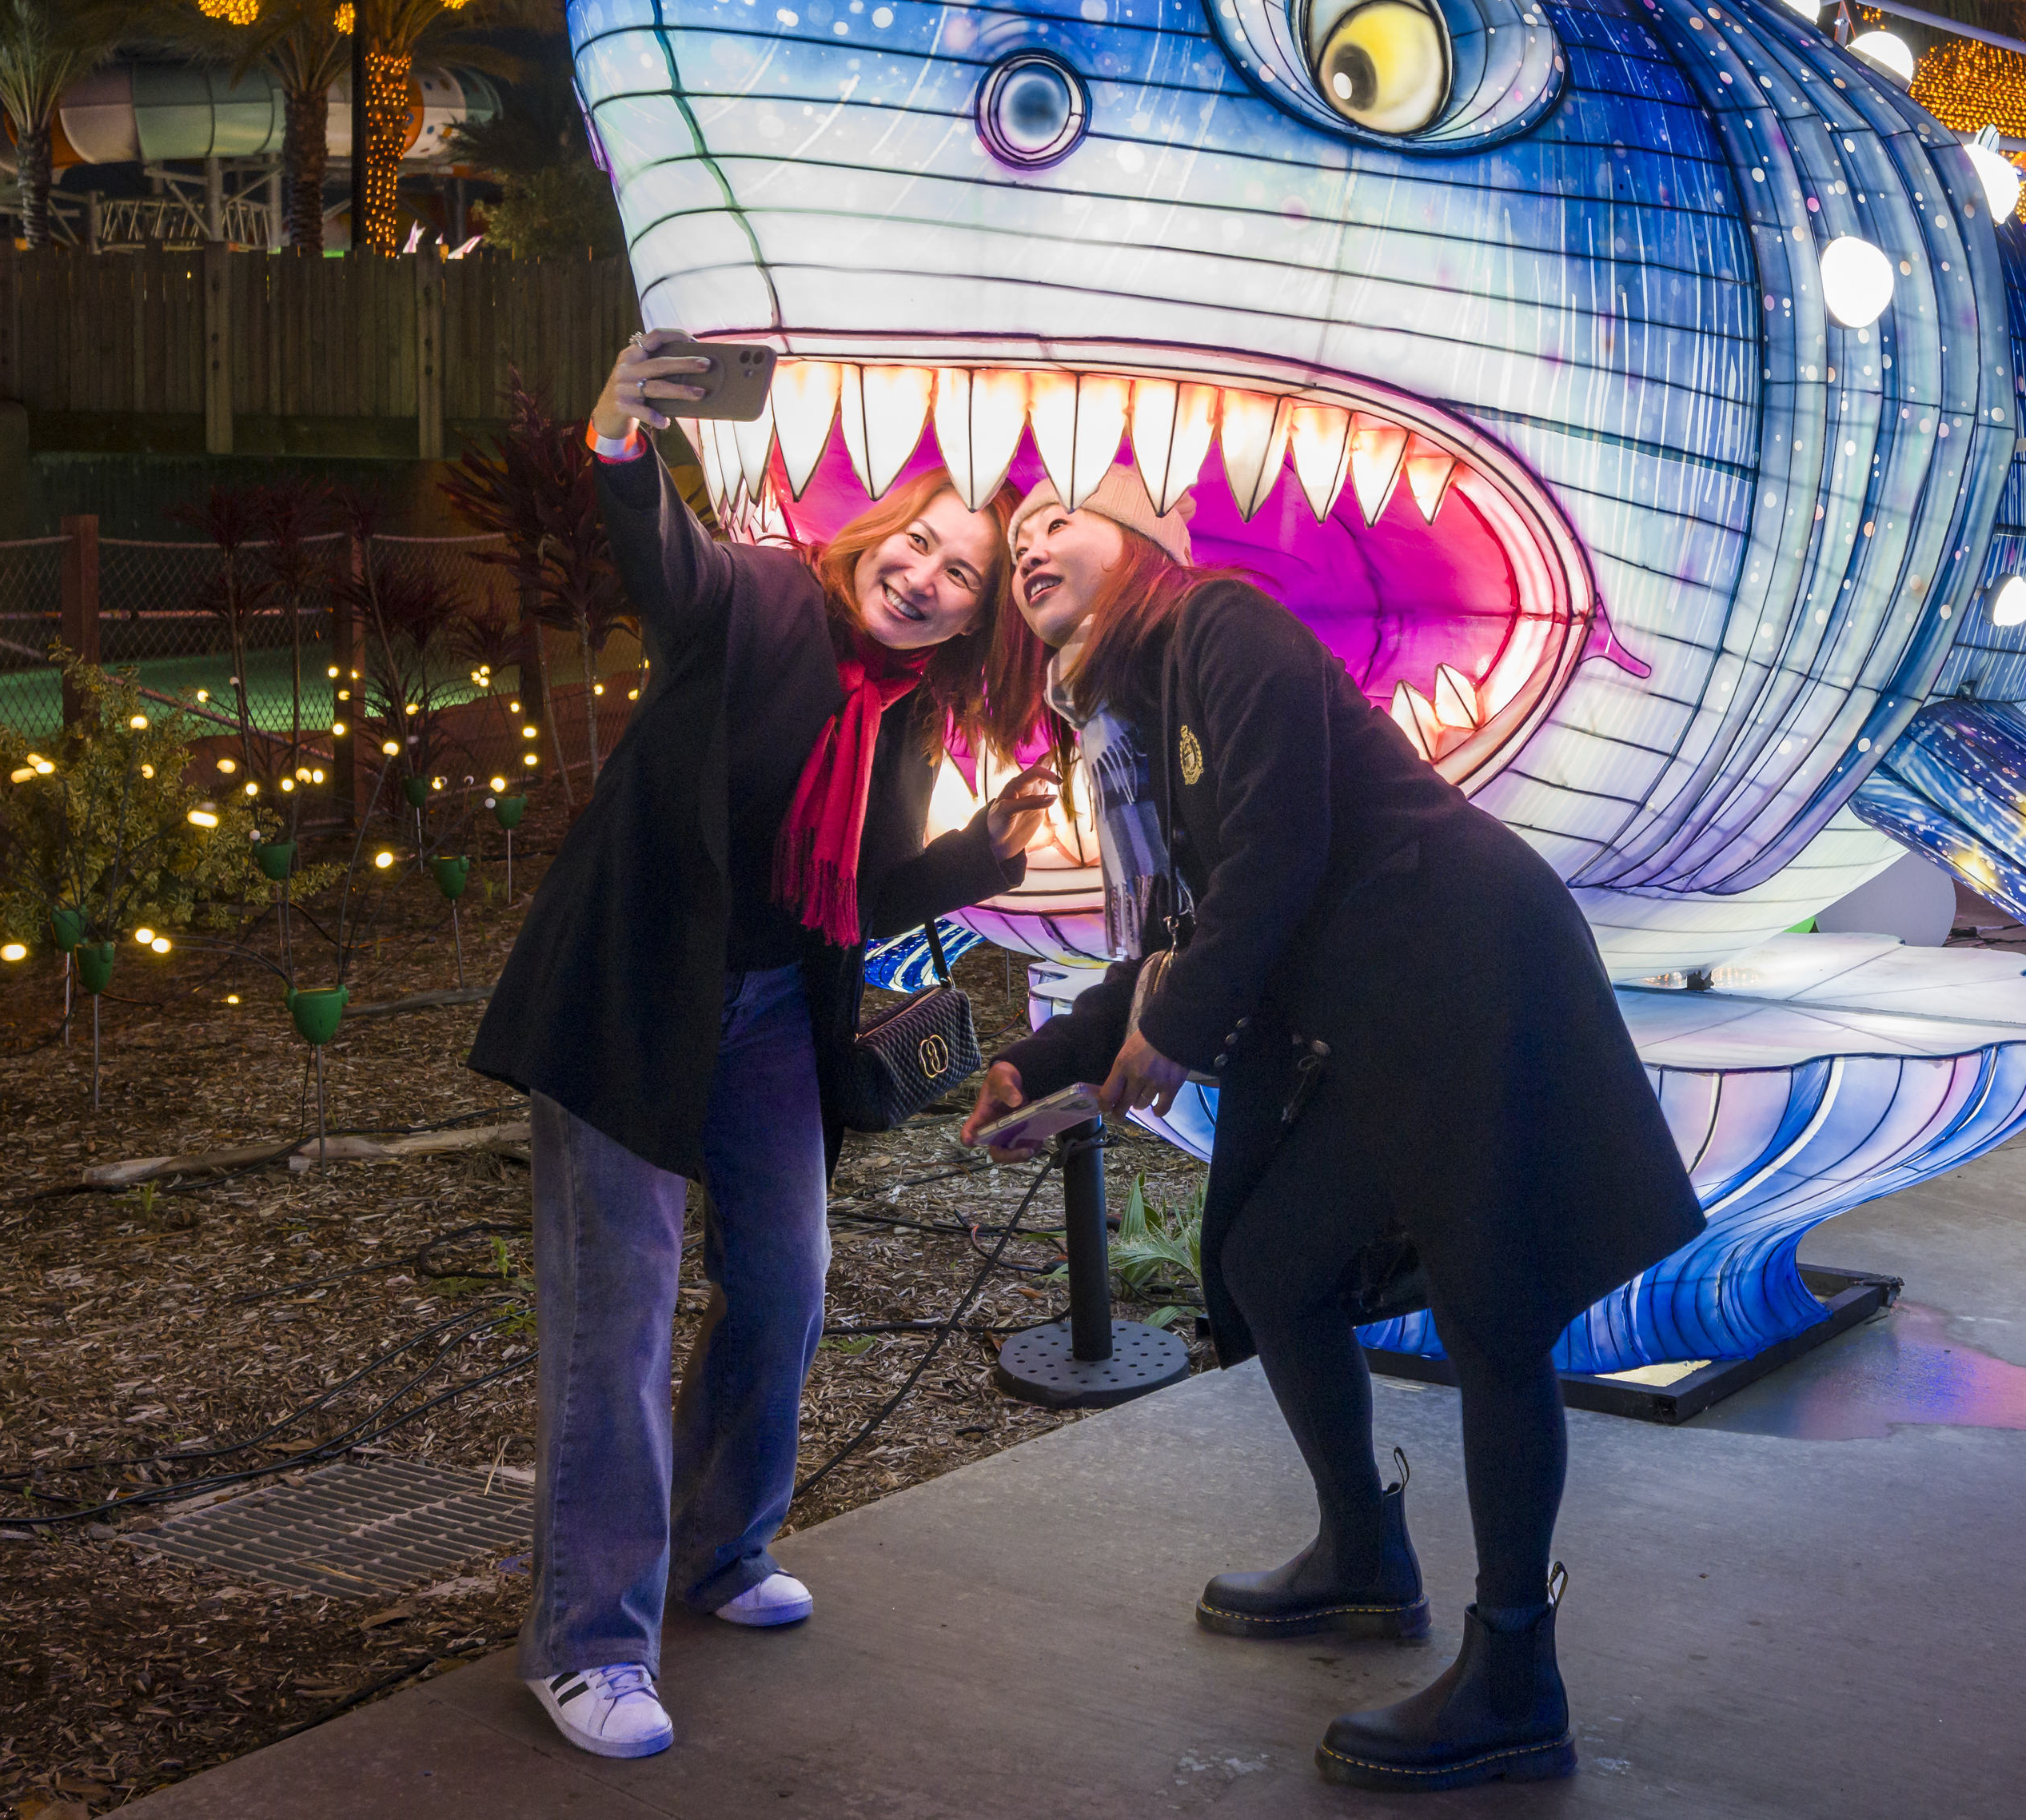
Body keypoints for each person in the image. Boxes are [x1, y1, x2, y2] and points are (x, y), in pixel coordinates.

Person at [963, 472, 1702, 1793]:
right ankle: (1364, 1552)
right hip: (1378, 1009)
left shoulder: (1222, 626)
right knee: (1275, 1263)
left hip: (1463, 962)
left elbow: (1279, 853)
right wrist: (1035, 1062)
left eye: (1052, 522)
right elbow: (1169, 942)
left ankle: (1517, 1673)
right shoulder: (1135, 718)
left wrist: (1176, 1029)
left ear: (1141, 543)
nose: (1027, 546)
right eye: (1014, 542)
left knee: (1494, 1321)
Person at [468, 329, 1052, 1762]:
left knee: (786, 1280)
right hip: (633, 1002)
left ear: (973, 617)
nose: (924, 577)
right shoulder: (766, 597)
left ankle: (725, 1552)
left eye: (959, 574)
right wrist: (617, 440)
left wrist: (980, 853)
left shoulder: (904, 710)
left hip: (772, 1017)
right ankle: (589, 1641)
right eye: (918, 543)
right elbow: (667, 559)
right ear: (877, 533)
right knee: (618, 1319)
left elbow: (845, 887)